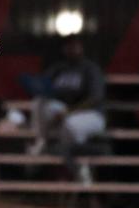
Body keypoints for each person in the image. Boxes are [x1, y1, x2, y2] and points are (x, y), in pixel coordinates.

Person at [27, 35, 106, 183]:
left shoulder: (90, 69)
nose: (72, 49)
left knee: (69, 125)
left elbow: (95, 98)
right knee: (39, 102)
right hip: (65, 113)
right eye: (69, 46)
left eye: (75, 46)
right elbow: (43, 88)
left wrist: (68, 112)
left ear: (82, 47)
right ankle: (41, 142)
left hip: (90, 115)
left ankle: (79, 164)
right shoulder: (58, 69)